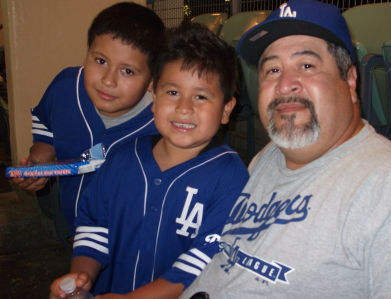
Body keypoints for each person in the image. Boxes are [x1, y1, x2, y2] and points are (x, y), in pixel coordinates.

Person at [181, 0, 391, 298]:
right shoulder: (268, 157)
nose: (284, 85)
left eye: (307, 65)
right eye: (271, 69)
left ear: (349, 80)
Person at [49, 21, 249, 299]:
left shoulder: (231, 176)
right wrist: (82, 276)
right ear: (153, 96)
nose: (184, 108)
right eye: (173, 92)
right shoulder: (121, 158)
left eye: (201, 96)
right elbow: (94, 226)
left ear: (226, 109)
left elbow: (204, 260)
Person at [12, 2, 165, 235]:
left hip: (131, 244)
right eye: (101, 61)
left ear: (152, 81)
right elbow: (46, 120)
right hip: (73, 232)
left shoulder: (162, 125)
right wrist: (40, 159)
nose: (108, 80)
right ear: (86, 55)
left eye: (128, 71)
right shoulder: (65, 88)